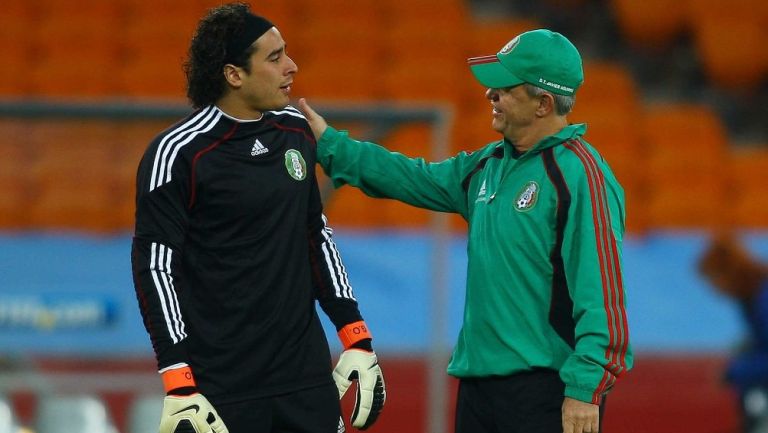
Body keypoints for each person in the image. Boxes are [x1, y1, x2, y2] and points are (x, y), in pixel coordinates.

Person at [297, 28, 632, 433]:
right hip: (478, 389)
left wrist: (585, 390)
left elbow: (603, 299)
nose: (490, 95)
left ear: (543, 103)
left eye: (504, 88)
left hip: (546, 392)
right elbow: (411, 177)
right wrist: (330, 144)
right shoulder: (487, 165)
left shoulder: (581, 176)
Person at [130, 3, 385, 433]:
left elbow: (315, 236)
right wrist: (177, 379)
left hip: (306, 379)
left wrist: (354, 334)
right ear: (234, 75)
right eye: (274, 57)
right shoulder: (177, 154)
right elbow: (154, 267)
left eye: (286, 52)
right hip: (221, 387)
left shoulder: (295, 131)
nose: (291, 66)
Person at [698, 233, 768, 433]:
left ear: (725, 273)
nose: (715, 290)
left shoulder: (762, 299)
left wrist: (736, 372)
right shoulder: (752, 295)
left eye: (713, 280)